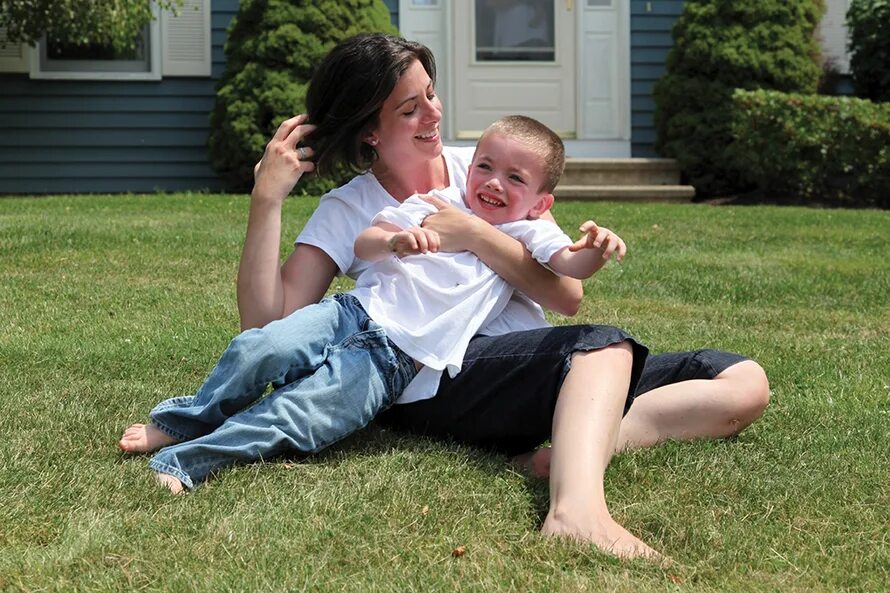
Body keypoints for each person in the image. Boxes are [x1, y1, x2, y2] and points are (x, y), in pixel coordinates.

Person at [122, 33, 769, 559]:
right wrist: (267, 199)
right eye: (411, 108)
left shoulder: (484, 166)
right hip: (436, 371)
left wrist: (473, 232)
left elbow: (566, 290)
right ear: (370, 129)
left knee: (739, 381)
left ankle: (569, 445)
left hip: (525, 361)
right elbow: (267, 325)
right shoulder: (355, 207)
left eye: (430, 95)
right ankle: (578, 512)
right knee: (602, 348)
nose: (434, 113)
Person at [119, 114, 640, 501]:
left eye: (515, 179)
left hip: (396, 361)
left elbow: (570, 272)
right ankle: (186, 419)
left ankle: (189, 461)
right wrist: (395, 243)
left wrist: (596, 246)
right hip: (350, 313)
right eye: (485, 166)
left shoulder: (528, 231)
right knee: (261, 348)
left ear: (540, 203)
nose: (494, 182)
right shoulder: (437, 202)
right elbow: (367, 240)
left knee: (300, 417)